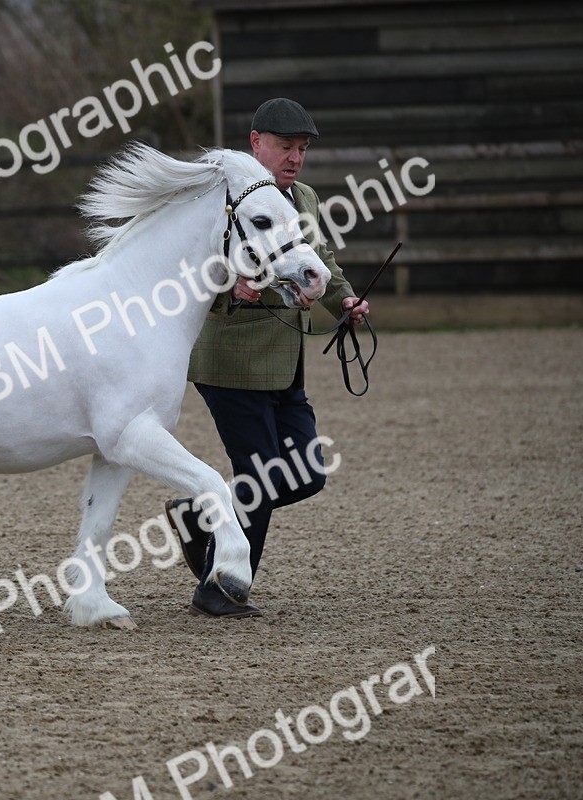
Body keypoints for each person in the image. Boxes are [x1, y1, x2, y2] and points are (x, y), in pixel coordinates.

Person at [166, 98, 369, 618]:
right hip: (230, 361)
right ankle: (220, 588)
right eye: (285, 147)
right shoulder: (219, 197)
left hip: (285, 364)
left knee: (307, 474)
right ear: (256, 143)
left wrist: (342, 299)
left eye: (301, 149)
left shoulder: (302, 197)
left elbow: (318, 261)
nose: (295, 158)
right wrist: (228, 286)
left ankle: (201, 518)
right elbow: (181, 274)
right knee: (256, 476)